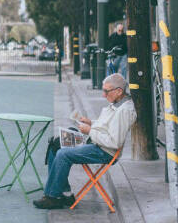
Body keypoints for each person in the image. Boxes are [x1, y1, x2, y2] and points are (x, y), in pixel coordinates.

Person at [33, 73, 136, 209]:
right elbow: (106, 127)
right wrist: (91, 123)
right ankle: (64, 193)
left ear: (119, 91)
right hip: (95, 142)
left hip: (104, 151)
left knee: (63, 154)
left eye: (106, 91)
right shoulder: (117, 103)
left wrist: (90, 131)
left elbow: (114, 142)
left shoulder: (124, 111)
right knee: (56, 143)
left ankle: (53, 196)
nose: (103, 95)